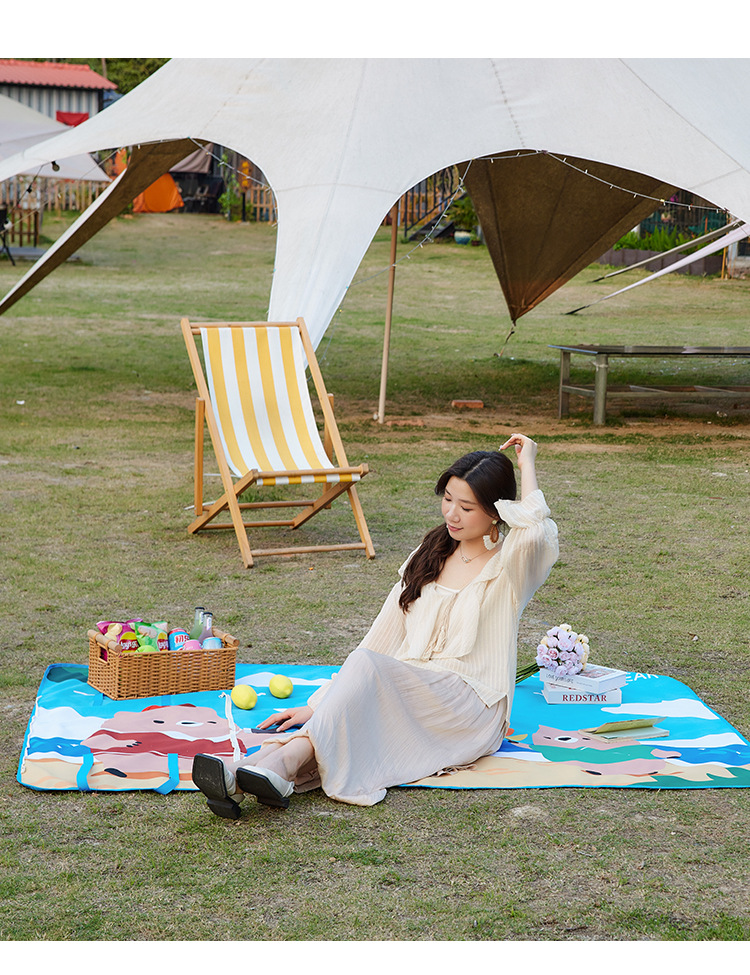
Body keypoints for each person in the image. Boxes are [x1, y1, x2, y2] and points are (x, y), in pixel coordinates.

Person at [192, 433, 558, 818]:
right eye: (448, 499)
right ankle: (254, 771)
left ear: (497, 511)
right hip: (408, 690)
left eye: (466, 507)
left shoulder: (512, 565)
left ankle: (272, 764)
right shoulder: (429, 554)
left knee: (368, 677)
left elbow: (535, 531)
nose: (451, 514)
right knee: (361, 686)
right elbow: (381, 639)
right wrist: (323, 703)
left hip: (468, 707)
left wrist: (528, 464)